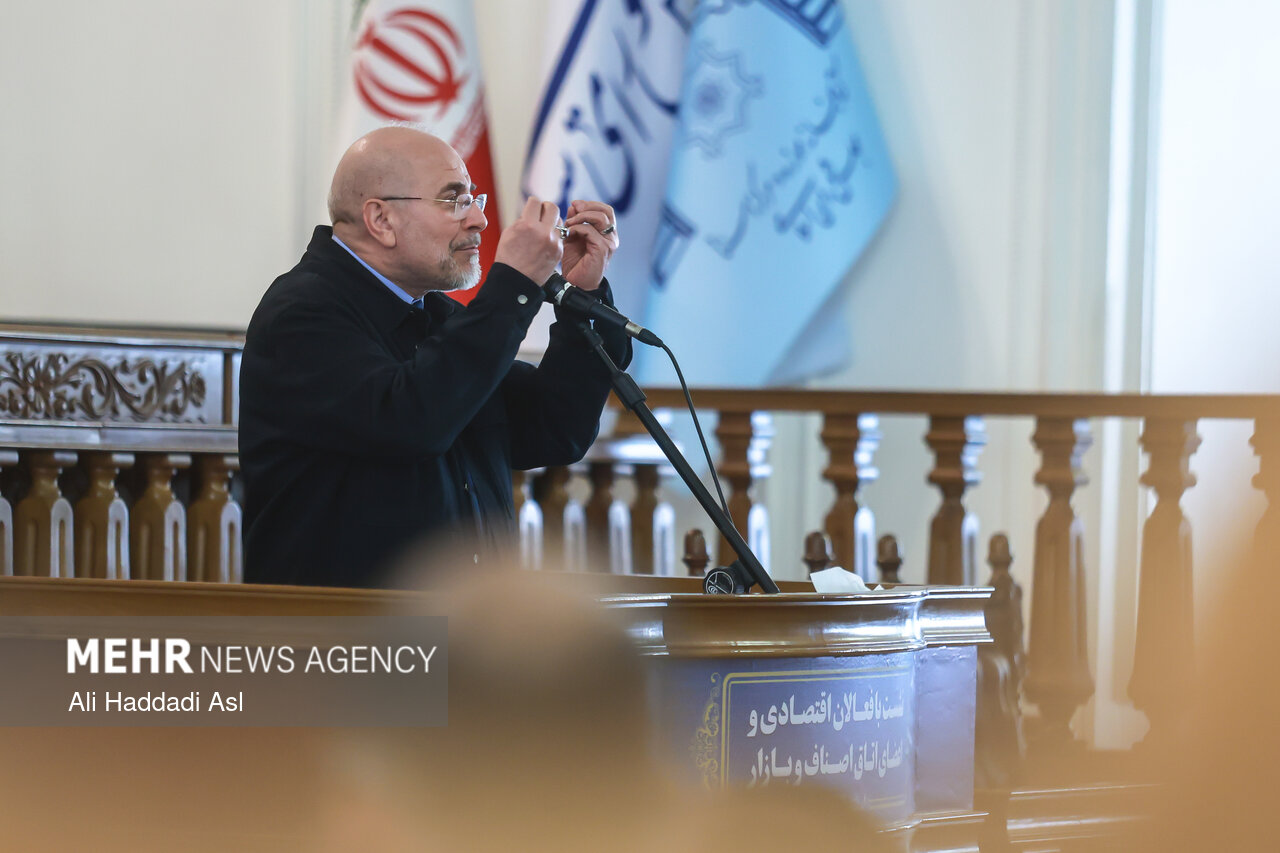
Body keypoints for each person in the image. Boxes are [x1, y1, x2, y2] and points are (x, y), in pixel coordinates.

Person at [238, 126, 630, 587]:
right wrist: (513, 285)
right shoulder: (301, 314)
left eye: (473, 198)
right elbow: (411, 420)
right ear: (381, 219)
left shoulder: (436, 316)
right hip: (352, 626)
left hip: (470, 620)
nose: (479, 220)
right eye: (453, 200)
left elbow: (552, 431)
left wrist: (584, 297)